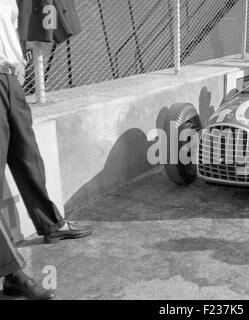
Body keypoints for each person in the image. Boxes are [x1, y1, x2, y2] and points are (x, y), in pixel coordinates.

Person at [0, 0, 93, 299]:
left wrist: (19, 61)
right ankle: (11, 272)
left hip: (10, 78)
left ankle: (50, 224)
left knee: (27, 156)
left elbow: (11, 29)